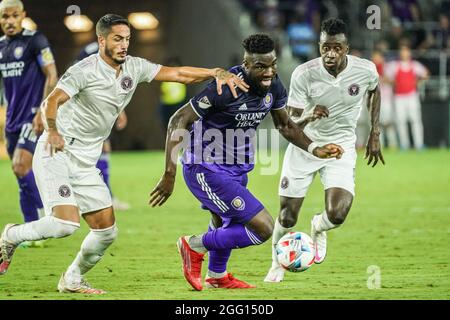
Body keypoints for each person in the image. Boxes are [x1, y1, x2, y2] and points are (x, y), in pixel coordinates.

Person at [0, 13, 248, 294]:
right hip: (57, 150)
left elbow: (176, 74)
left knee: (106, 232)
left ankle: (72, 278)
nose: (124, 45)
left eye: (127, 39)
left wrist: (214, 72)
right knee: (63, 225)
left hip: (85, 160)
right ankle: (11, 235)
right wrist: (53, 130)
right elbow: (51, 102)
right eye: (118, 39)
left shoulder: (134, 67)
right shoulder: (84, 70)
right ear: (101, 40)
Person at [149, 34, 344, 291]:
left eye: (272, 64)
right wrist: (169, 173)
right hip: (205, 167)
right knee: (262, 228)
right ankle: (193, 245)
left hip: (237, 167)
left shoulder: (274, 86)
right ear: (246, 65)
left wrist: (314, 148)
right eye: (261, 66)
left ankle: (217, 276)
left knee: (224, 222)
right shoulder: (225, 88)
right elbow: (178, 120)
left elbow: (285, 125)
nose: (269, 72)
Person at [264, 18, 384, 283]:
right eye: (325, 47)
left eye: (336, 48)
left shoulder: (365, 70)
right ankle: (276, 263)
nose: (330, 53)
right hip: (305, 147)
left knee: (338, 214)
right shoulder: (304, 73)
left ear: (346, 48)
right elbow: (289, 123)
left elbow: (374, 91)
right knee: (287, 215)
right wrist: (309, 114)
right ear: (319, 46)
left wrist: (375, 132)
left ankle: (319, 226)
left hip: (340, 147)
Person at [0, 0, 58, 241]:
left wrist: (42, 111)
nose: (9, 21)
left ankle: (45, 221)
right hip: (12, 119)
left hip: (32, 116)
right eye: (5, 17)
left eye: (14, 16)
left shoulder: (36, 41)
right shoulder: (1, 47)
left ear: (23, 15)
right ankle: (31, 227)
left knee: (20, 165)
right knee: (21, 174)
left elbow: (52, 74)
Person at [75, 41, 130, 211]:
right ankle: (104, 198)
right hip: (91, 108)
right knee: (99, 150)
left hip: (93, 107)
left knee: (98, 151)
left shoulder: (90, 50)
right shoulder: (95, 53)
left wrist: (119, 109)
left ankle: (97, 197)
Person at [384, 44, 428, 150]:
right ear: (400, 54)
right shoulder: (394, 65)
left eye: (406, 51)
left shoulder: (415, 65)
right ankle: (404, 144)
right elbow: (385, 78)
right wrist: (395, 83)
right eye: (402, 52)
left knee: (415, 120)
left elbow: (426, 74)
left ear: (409, 53)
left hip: (412, 96)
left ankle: (419, 144)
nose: (404, 54)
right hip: (399, 97)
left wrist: (417, 81)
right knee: (401, 121)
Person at [372, 50, 398, 148]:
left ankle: (393, 143)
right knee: (377, 124)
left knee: (389, 122)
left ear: (382, 58)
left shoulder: (388, 67)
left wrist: (382, 76)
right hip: (375, 99)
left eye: (377, 57)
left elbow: (394, 81)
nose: (376, 59)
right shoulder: (371, 69)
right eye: (374, 57)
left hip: (387, 99)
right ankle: (379, 144)